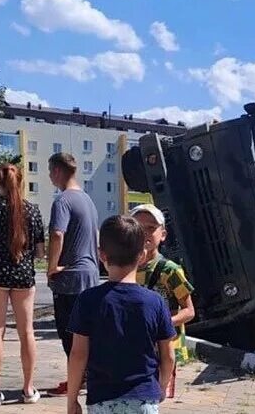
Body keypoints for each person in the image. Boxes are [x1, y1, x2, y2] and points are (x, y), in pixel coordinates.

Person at [67, 215, 176, 414]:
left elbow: (78, 355)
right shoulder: (155, 302)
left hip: (102, 399)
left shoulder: (88, 300)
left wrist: (72, 399)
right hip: (144, 399)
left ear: (102, 255)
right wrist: (162, 386)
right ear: (142, 255)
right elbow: (168, 355)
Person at [0, 164, 45, 406]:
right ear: (21, 182)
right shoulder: (33, 211)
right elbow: (40, 253)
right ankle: (28, 388)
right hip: (24, 278)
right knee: (27, 333)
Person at [47, 153, 100, 396]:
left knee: (68, 334)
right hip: (90, 275)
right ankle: (88, 377)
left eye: (50, 171)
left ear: (58, 171)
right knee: (87, 332)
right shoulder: (88, 200)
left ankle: (77, 380)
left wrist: (52, 266)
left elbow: (58, 234)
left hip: (70, 277)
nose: (49, 176)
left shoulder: (63, 201)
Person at [131, 204, 195, 399]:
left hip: (163, 349)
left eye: (151, 228)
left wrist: (162, 324)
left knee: (153, 399)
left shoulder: (170, 270)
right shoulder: (126, 267)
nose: (145, 233)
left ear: (163, 234)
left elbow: (189, 311)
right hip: (135, 346)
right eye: (138, 228)